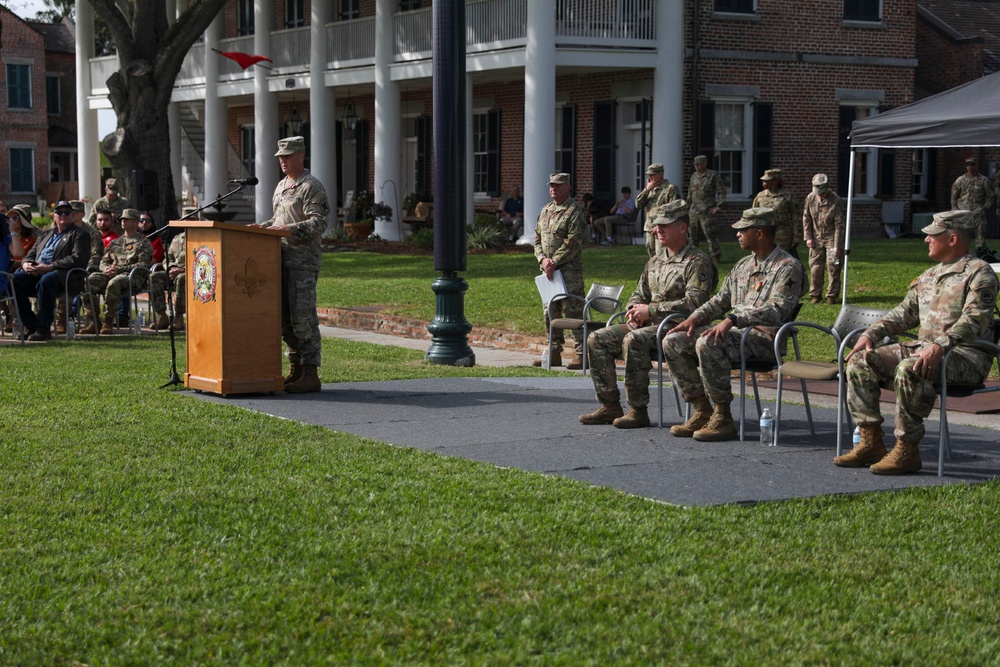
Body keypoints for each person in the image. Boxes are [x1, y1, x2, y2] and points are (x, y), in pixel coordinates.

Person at [834, 210, 999, 474]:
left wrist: (941, 344)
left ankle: (907, 450)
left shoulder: (980, 273)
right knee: (859, 361)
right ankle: (870, 441)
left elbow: (975, 319)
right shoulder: (929, 275)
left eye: (933, 235)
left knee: (910, 368)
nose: (926, 240)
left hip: (965, 355)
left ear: (953, 238)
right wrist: (870, 334)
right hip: (927, 350)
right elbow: (902, 314)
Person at [661, 207, 805, 441]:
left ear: (759, 233)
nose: (737, 233)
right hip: (736, 333)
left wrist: (734, 319)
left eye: (742, 230)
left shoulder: (787, 267)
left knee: (708, 342)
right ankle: (702, 409)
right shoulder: (742, 266)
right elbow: (719, 300)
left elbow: (778, 310)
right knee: (673, 340)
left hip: (764, 338)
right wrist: (694, 318)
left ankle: (722, 416)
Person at [579, 199, 715, 428]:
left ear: (682, 227)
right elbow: (639, 293)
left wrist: (649, 310)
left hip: (677, 327)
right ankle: (610, 405)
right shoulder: (655, 261)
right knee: (597, 338)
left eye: (666, 225)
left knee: (634, 339)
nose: (658, 229)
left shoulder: (696, 262)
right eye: (657, 225)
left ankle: (637, 409)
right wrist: (634, 309)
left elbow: (695, 304)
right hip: (648, 324)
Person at [253, 136, 329, 394]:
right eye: (280, 157)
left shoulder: (311, 187)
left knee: (303, 317)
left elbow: (319, 223)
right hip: (279, 261)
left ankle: (310, 373)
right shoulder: (281, 186)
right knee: (284, 317)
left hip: (303, 263)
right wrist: (261, 227)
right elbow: (277, 219)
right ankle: (295, 369)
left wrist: (290, 229)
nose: (283, 161)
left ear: (301, 156)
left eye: (287, 156)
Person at [11, 201, 90, 341]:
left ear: (73, 216)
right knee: (14, 280)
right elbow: (30, 254)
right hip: (38, 273)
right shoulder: (45, 234)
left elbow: (78, 259)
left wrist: (50, 267)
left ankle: (43, 330)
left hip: (64, 276)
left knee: (47, 280)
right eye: (59, 212)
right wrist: (26, 264)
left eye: (67, 212)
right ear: (54, 216)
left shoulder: (79, 234)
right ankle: (31, 325)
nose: (63, 215)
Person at [533, 172, 588, 370]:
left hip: (568, 271)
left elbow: (573, 242)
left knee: (573, 310)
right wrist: (543, 259)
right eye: (551, 185)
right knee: (550, 312)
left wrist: (554, 261)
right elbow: (537, 239)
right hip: (549, 272)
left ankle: (582, 355)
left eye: (558, 185)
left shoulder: (575, 211)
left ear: (568, 187)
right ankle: (553, 353)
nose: (553, 188)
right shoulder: (546, 210)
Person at [82, 208, 162, 334]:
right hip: (111, 273)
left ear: (136, 222)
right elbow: (104, 260)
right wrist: (106, 269)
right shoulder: (116, 242)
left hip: (132, 277)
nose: (123, 222)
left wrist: (118, 270)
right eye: (122, 220)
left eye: (127, 219)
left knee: (114, 282)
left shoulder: (143, 243)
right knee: (88, 281)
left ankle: (108, 321)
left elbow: (142, 264)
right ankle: (94, 320)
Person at [802, 173, 845, 305]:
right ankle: (816, 294)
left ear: (827, 187)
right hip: (816, 237)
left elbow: (839, 225)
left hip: (832, 237)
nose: (819, 194)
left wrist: (837, 246)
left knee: (833, 266)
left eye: (821, 191)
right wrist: (808, 237)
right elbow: (806, 218)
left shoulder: (836, 200)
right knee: (815, 267)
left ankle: (832, 295)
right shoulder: (810, 198)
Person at [687, 155, 727, 264]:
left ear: (704, 164)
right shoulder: (693, 176)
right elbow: (690, 194)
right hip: (694, 211)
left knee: (710, 234)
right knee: (692, 236)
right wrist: (687, 207)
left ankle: (715, 257)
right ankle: (693, 257)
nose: (696, 166)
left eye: (699, 164)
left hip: (707, 211)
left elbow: (722, 192)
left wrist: (718, 207)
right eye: (695, 164)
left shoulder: (712, 175)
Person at [752, 168, 800, 258]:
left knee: (782, 258)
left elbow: (795, 217)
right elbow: (753, 216)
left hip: (782, 235)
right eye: (763, 181)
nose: (763, 183)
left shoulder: (787, 196)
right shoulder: (760, 196)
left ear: (775, 182)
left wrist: (797, 237)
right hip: (763, 233)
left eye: (767, 181)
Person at [635, 163, 680, 258]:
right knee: (651, 254)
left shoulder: (670, 189)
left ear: (661, 174)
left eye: (653, 174)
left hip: (662, 228)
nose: (650, 177)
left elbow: (673, 210)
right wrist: (646, 189)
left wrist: (660, 226)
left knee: (661, 255)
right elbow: (638, 204)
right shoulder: (650, 189)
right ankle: (654, 272)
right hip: (649, 227)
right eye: (649, 175)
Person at [950, 157, 995, 249]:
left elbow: (990, 195)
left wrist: (986, 207)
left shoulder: (984, 180)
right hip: (963, 212)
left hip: (978, 211)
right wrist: (954, 209)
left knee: (980, 235)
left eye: (972, 165)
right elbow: (954, 196)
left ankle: (980, 252)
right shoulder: (960, 180)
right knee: (961, 235)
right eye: (968, 165)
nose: (970, 167)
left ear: (977, 166)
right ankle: (961, 253)